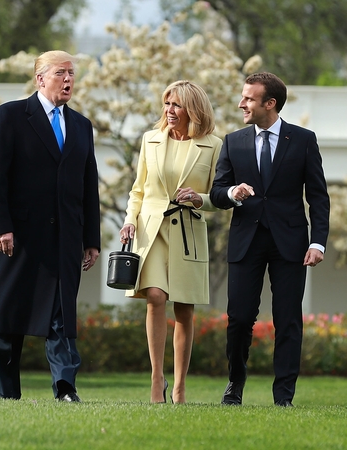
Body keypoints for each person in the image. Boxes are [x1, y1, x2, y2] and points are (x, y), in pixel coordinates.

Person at [0, 50, 101, 402]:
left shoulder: (81, 126)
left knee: (62, 319)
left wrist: (91, 238)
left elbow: (88, 185)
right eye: (61, 73)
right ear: (40, 78)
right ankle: (7, 392)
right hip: (17, 238)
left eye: (72, 73)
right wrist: (0, 227)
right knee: (8, 319)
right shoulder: (10, 116)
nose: (69, 79)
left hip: (64, 240)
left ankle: (65, 389)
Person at [209, 72, 330, 407]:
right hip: (246, 241)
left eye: (248, 98)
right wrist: (233, 192)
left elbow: (318, 196)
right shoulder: (233, 141)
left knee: (288, 319)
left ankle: (284, 396)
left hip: (290, 243)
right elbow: (217, 193)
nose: (241, 103)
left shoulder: (304, 140)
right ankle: (235, 381)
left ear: (270, 103)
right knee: (239, 319)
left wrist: (317, 242)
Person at [119, 80, 223, 404]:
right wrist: (128, 221)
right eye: (166, 104)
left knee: (185, 309)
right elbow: (138, 189)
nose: (169, 111)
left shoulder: (214, 145)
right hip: (151, 229)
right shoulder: (150, 140)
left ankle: (179, 387)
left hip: (188, 232)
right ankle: (156, 379)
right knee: (154, 296)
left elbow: (218, 197)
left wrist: (198, 199)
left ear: (193, 109)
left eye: (176, 105)